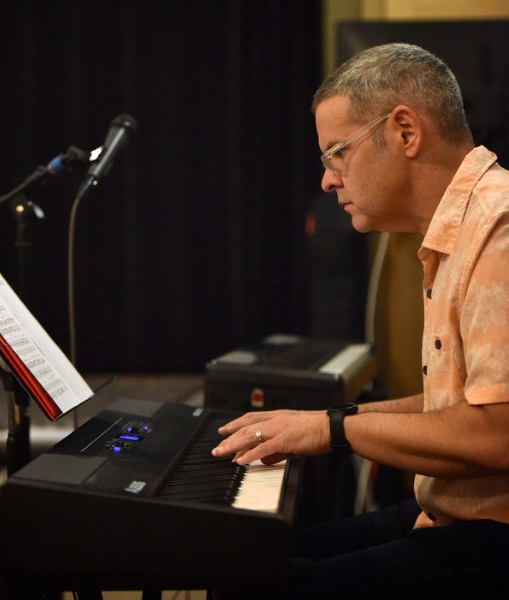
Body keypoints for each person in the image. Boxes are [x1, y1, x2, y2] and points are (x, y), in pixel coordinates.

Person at [211, 43, 509, 598]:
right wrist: (326, 419)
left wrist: (333, 430)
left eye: (336, 153)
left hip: (495, 537)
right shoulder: (459, 231)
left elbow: (497, 436)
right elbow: (462, 408)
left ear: (405, 132)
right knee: (248, 561)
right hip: (456, 513)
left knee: (267, 586)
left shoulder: (499, 231)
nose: (327, 180)